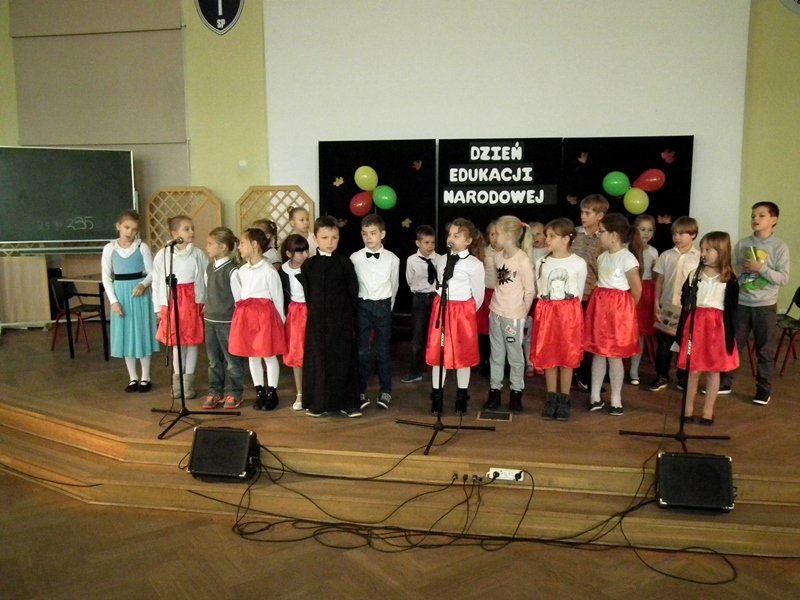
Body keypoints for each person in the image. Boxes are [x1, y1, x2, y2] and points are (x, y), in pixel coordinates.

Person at [721, 202, 790, 404]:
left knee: (765, 349)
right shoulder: (743, 244)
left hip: (765, 305)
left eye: (761, 215)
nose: (755, 219)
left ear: (774, 220)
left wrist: (761, 268)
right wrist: (741, 269)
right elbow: (731, 271)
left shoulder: (779, 247)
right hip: (742, 303)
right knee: (733, 344)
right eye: (753, 216)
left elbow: (784, 278)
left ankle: (763, 389)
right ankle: (725, 382)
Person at [297, 216, 360, 417]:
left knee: (343, 360)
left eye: (334, 237)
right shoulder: (308, 266)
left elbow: (353, 292)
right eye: (325, 238)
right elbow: (308, 295)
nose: (330, 242)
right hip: (317, 322)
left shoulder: (345, 263)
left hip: (341, 321)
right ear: (316, 238)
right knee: (318, 360)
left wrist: (347, 317)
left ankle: (347, 403)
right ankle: (318, 403)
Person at [676, 232, 739, 425]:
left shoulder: (729, 279)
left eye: (708, 250)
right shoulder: (694, 275)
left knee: (713, 370)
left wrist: (729, 334)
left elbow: (732, 309)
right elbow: (685, 299)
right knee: (693, 369)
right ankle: (688, 409)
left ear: (721, 252)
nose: (703, 253)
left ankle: (708, 411)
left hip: (717, 328)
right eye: (702, 249)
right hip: (696, 324)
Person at [584, 213, 642, 416]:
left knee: (615, 356)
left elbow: (636, 289)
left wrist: (626, 312)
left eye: (602, 232)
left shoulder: (627, 258)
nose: (598, 235)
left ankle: (616, 398)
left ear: (614, 236)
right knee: (599, 353)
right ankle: (595, 395)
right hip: (600, 309)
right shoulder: (602, 257)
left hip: (618, 313)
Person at [426, 218, 485, 415]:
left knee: (463, 356)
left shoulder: (475, 265)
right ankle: (437, 398)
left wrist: (466, 312)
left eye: (457, 236)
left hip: (462, 313)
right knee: (439, 355)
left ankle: (462, 398)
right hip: (443, 309)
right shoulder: (442, 260)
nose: (451, 238)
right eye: (450, 235)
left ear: (468, 241)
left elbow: (478, 295)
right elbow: (439, 284)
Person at [532, 218, 587, 421]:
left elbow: (579, 291)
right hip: (548, 314)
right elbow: (540, 289)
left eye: (552, 236)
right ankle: (551, 397)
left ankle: (564, 398)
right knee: (549, 355)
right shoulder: (541, 262)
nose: (547, 239)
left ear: (565, 239)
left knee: (567, 356)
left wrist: (567, 309)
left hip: (568, 315)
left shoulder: (578, 263)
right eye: (547, 235)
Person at [100, 209, 159, 393]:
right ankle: (133, 377)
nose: (130, 232)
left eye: (134, 229)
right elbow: (106, 277)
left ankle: (146, 377)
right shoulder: (110, 248)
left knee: (141, 334)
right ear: (118, 226)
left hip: (139, 295)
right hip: (121, 296)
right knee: (126, 336)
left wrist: (143, 284)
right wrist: (113, 301)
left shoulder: (142, 247)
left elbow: (152, 273)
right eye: (126, 227)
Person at [229, 228, 287, 411]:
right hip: (247, 316)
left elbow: (277, 297)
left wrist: (281, 320)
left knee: (268, 354)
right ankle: (260, 391)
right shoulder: (242, 271)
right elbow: (239, 296)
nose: (239, 247)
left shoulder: (269, 271)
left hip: (265, 317)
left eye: (242, 243)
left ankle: (272, 392)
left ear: (254, 244)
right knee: (252, 355)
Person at [482, 216, 535, 413]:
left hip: (513, 316)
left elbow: (530, 291)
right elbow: (498, 284)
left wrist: (522, 313)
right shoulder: (498, 257)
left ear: (509, 236)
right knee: (496, 354)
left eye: (498, 233)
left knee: (515, 356)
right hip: (496, 312)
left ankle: (516, 392)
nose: (494, 237)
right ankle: (494, 390)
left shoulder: (522, 261)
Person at [151, 214, 208, 400]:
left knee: (191, 342)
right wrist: (158, 307)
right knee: (177, 343)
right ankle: (178, 381)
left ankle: (188, 381)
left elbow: (205, 278)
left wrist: (206, 301)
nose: (191, 232)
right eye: (186, 229)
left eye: (192, 228)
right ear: (175, 233)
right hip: (173, 301)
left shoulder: (198, 254)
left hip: (192, 302)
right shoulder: (164, 254)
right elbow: (157, 281)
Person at [351, 214, 400, 410]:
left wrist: (387, 307)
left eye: (373, 233)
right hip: (363, 306)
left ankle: (386, 390)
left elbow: (394, 286)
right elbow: (354, 285)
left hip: (383, 306)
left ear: (382, 234)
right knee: (362, 351)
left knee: (383, 351)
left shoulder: (392, 259)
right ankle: (360, 390)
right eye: (364, 233)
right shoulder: (355, 258)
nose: (368, 237)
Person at [648, 216, 700, 392]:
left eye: (681, 234)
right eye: (674, 234)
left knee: (685, 345)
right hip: (667, 306)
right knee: (663, 346)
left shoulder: (698, 258)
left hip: (687, 309)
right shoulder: (666, 255)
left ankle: (683, 377)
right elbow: (659, 281)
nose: (677, 237)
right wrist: (656, 303)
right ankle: (661, 375)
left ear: (693, 235)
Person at [202, 227, 245, 409]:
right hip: (210, 321)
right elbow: (208, 291)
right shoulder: (209, 268)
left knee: (232, 361)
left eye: (210, 244)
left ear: (223, 247)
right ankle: (215, 392)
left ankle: (235, 392)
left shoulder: (232, 271)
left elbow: (239, 299)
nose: (207, 247)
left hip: (228, 322)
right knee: (213, 360)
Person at [571, 194, 609, 392]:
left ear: (600, 215)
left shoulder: (605, 238)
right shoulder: (573, 234)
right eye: (582, 212)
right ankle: (573, 374)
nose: (583, 216)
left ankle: (586, 376)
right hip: (570, 296)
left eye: (587, 213)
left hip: (592, 296)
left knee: (589, 338)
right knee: (572, 336)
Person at [401, 224, 441, 384]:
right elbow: (409, 280)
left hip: (435, 298)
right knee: (418, 335)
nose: (430, 246)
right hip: (419, 299)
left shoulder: (439, 259)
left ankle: (437, 368)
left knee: (436, 334)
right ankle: (416, 370)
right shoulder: (412, 260)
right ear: (418, 243)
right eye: (426, 242)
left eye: (432, 242)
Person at [279, 234, 310, 411]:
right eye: (299, 251)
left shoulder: (311, 267)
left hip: (311, 312)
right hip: (294, 314)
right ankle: (300, 393)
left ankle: (315, 390)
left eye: (306, 250)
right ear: (289, 254)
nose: (304, 254)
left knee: (313, 351)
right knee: (297, 353)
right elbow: (280, 295)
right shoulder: (282, 271)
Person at [629, 214, 659, 385]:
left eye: (650, 230)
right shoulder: (626, 249)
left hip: (645, 292)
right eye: (642, 229)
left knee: (640, 332)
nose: (646, 233)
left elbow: (655, 276)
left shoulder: (653, 252)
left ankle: (634, 369)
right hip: (628, 291)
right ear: (635, 230)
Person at [523, 221, 548, 377]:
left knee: (542, 332)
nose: (535, 238)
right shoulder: (526, 254)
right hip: (530, 299)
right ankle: (529, 363)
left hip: (545, 299)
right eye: (531, 235)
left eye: (538, 234)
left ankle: (541, 362)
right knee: (528, 332)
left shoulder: (550, 253)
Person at [476, 220, 498, 377]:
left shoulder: (511, 253)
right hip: (487, 295)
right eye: (491, 234)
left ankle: (500, 363)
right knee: (484, 330)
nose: (494, 237)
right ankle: (485, 361)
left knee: (499, 331)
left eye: (498, 234)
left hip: (503, 296)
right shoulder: (484, 252)